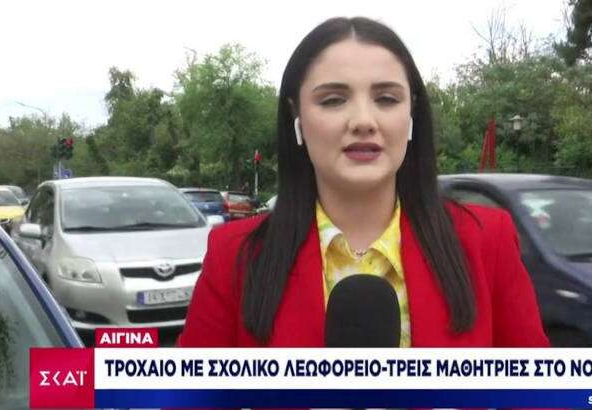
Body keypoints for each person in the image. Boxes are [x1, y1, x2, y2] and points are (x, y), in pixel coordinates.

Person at [178, 17, 549, 348]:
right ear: (297, 117)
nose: (363, 121)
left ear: (411, 113)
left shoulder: (487, 242)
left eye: (386, 99)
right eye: (333, 100)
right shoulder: (235, 257)